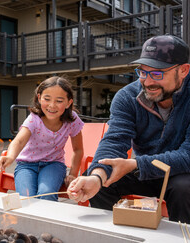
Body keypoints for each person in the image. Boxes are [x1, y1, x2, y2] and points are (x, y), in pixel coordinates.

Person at [68, 34, 190, 223]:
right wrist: (98, 176)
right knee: (102, 183)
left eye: (157, 74)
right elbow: (114, 140)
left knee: (185, 189)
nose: (148, 82)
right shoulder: (127, 97)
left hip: (180, 174)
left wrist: (136, 164)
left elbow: (187, 156)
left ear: (183, 70)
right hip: (142, 171)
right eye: (142, 72)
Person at [0, 76, 84, 201]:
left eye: (59, 101)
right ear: (39, 98)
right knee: (27, 197)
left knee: (46, 193)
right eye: (47, 99)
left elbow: (78, 150)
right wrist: (10, 156)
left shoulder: (72, 120)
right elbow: (19, 141)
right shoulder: (34, 118)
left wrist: (73, 174)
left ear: (68, 103)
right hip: (26, 165)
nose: (52, 105)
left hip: (54, 165)